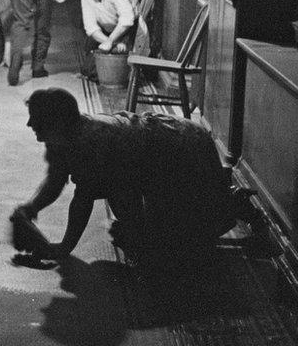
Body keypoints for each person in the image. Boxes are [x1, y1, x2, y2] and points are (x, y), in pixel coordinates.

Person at [13, 88, 246, 272]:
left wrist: (64, 247)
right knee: (140, 233)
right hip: (158, 154)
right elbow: (55, 179)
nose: (29, 124)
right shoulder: (62, 138)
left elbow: (88, 199)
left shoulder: (91, 142)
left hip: (183, 148)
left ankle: (234, 202)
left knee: (174, 250)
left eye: (36, 119)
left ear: (57, 123)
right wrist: (30, 208)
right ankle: (216, 197)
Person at [79, 0, 138, 78]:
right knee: (88, 70)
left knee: (113, 71)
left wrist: (111, 41)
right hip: (108, 33)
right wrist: (112, 43)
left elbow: (127, 20)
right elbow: (91, 28)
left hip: (128, 31)